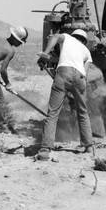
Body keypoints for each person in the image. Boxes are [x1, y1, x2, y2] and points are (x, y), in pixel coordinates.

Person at [36, 29, 95, 159]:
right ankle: (89, 147)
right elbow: (85, 74)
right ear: (84, 41)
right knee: (83, 112)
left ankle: (45, 150)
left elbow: (55, 36)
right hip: (80, 78)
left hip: (63, 72)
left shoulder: (67, 38)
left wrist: (45, 54)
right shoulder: (87, 51)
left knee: (53, 113)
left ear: (74, 36)